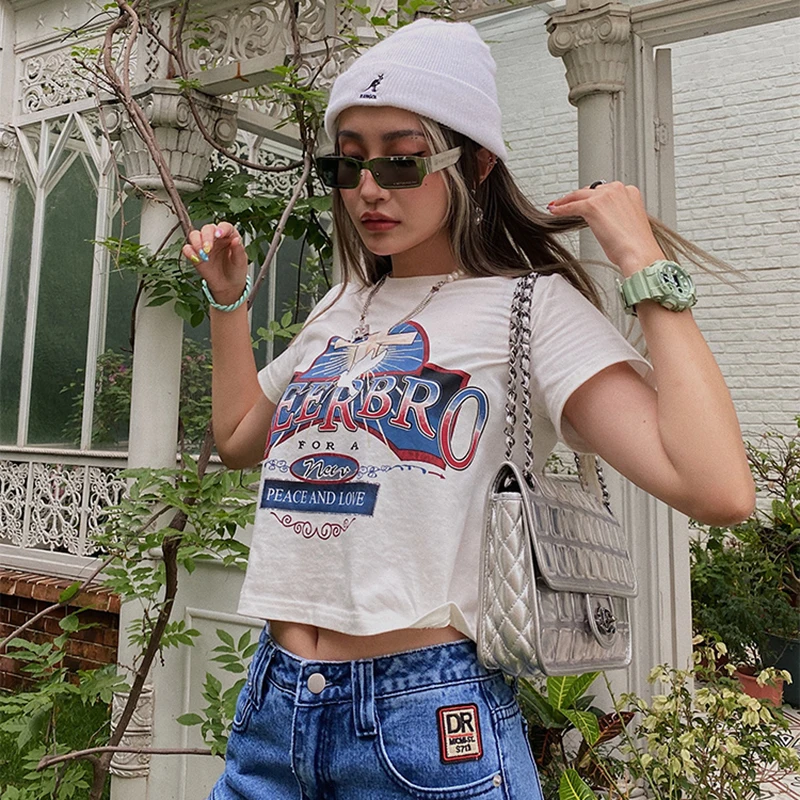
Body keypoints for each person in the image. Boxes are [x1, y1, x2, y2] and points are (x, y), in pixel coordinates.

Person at [185, 17, 755, 800]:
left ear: (477, 164)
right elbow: (238, 438)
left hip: (423, 722)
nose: (370, 188)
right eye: (347, 163)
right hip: (273, 713)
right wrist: (229, 305)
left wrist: (643, 264)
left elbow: (718, 488)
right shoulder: (342, 307)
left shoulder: (531, 308)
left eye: (402, 160)